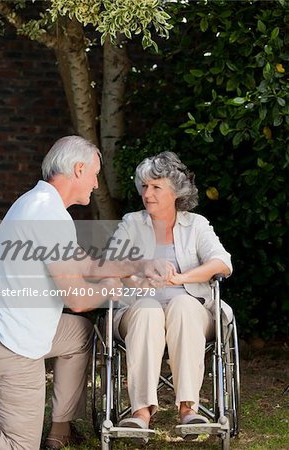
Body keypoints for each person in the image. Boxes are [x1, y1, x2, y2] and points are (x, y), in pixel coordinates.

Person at [0, 136, 165, 450]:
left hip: (1, 324)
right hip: (11, 341)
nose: (95, 183)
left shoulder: (38, 202)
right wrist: (112, 288)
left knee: (80, 334)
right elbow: (76, 299)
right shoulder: (48, 215)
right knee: (18, 445)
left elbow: (85, 264)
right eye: (94, 174)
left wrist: (137, 264)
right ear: (78, 169)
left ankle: (60, 429)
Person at [109, 151, 232, 431]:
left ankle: (189, 409)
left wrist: (182, 279)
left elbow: (222, 263)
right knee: (149, 310)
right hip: (139, 307)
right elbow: (111, 262)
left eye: (155, 187)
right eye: (144, 186)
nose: (147, 194)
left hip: (190, 309)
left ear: (175, 192)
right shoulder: (131, 223)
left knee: (184, 306)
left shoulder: (196, 224)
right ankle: (140, 413)